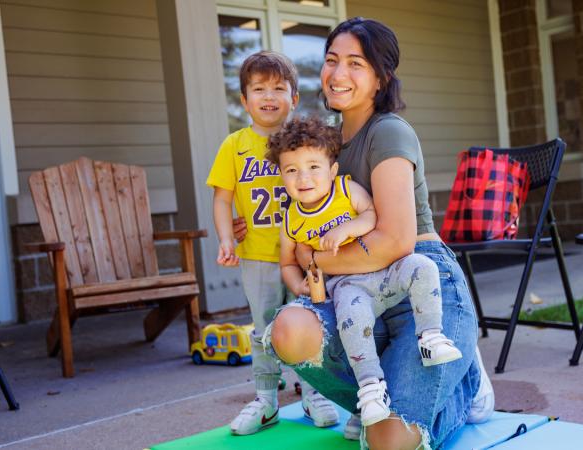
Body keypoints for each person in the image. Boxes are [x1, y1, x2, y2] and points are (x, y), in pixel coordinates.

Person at [264, 18, 495, 450]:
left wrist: (313, 261)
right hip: (354, 291)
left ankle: (464, 383)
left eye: (356, 63)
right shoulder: (323, 147)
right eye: (332, 60)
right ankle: (378, 396)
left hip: (417, 286)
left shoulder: (387, 131)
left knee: (387, 444)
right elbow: (294, 209)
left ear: (380, 77)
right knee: (289, 331)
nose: (337, 74)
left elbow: (395, 241)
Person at [266, 116, 463, 427]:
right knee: (351, 323)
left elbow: (371, 214)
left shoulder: (345, 189)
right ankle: (370, 390)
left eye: (313, 167)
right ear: (282, 176)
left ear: (332, 170)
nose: (303, 177)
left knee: (421, 267)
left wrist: (349, 228)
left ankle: (431, 335)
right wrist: (299, 285)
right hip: (347, 286)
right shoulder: (291, 220)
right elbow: (288, 262)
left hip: (383, 273)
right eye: (292, 170)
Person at [206, 50, 339, 436]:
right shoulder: (235, 145)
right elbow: (222, 198)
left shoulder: (302, 142)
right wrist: (227, 237)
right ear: (244, 100)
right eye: (259, 89)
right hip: (259, 256)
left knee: (311, 323)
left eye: (279, 88)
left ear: (294, 98)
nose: (269, 96)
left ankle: (315, 393)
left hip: (303, 254)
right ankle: (266, 399)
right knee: (264, 328)